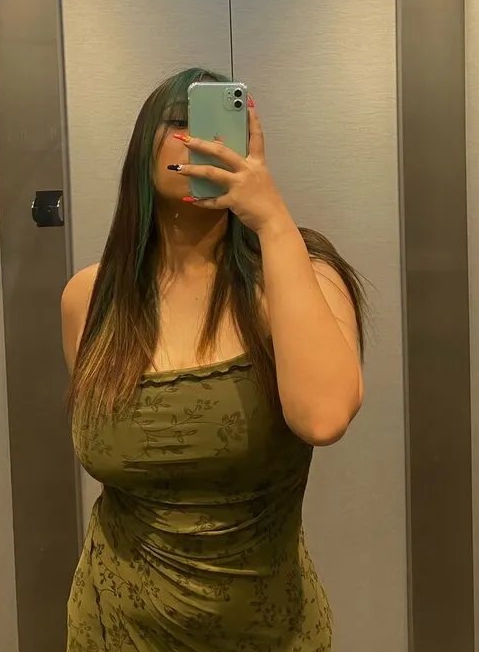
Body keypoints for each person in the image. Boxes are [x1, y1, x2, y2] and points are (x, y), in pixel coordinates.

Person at [61, 67, 367, 652]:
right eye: (180, 122)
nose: (201, 139)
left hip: (270, 632)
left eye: (221, 124)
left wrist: (271, 220)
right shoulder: (90, 298)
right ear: (143, 147)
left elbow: (324, 418)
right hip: (113, 628)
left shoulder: (302, 278)